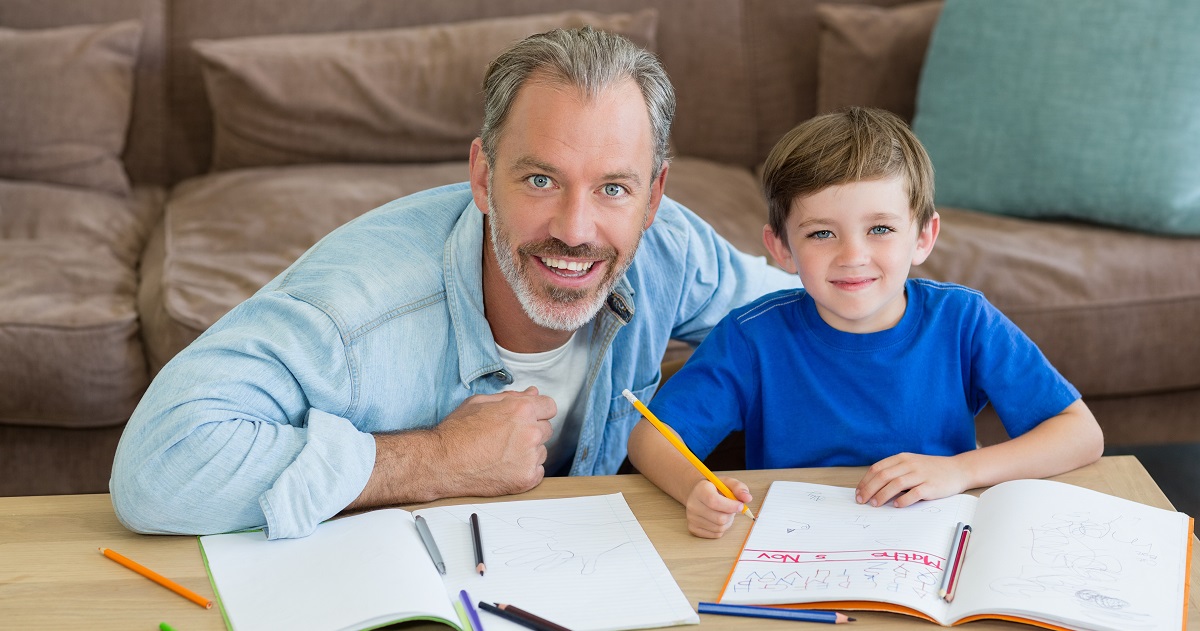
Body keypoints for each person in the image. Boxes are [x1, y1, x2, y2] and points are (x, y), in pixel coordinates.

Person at [108, 27, 797, 539]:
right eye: (539, 179)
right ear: (481, 177)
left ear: (652, 196)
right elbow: (155, 471)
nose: (577, 228)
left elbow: (821, 314)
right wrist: (433, 459)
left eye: (614, 187)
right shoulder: (353, 313)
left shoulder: (668, 244)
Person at [627, 107, 1104, 539]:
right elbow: (651, 438)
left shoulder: (965, 320)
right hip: (796, 548)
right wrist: (695, 489)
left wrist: (960, 470)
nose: (853, 256)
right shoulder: (751, 337)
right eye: (821, 233)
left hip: (936, 540)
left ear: (923, 236)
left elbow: (1081, 433)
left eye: (880, 229)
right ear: (781, 249)